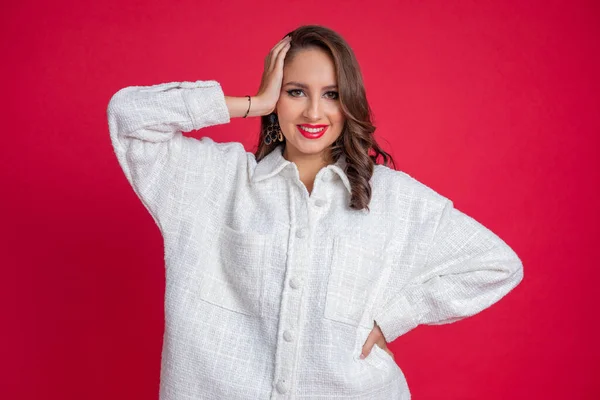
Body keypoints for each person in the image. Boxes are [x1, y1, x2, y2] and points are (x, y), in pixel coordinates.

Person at [106, 24, 524, 400]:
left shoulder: (392, 197)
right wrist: (254, 101)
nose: (313, 113)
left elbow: (496, 264)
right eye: (295, 92)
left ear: (350, 103)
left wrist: (395, 316)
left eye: (331, 95)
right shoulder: (215, 181)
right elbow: (129, 117)